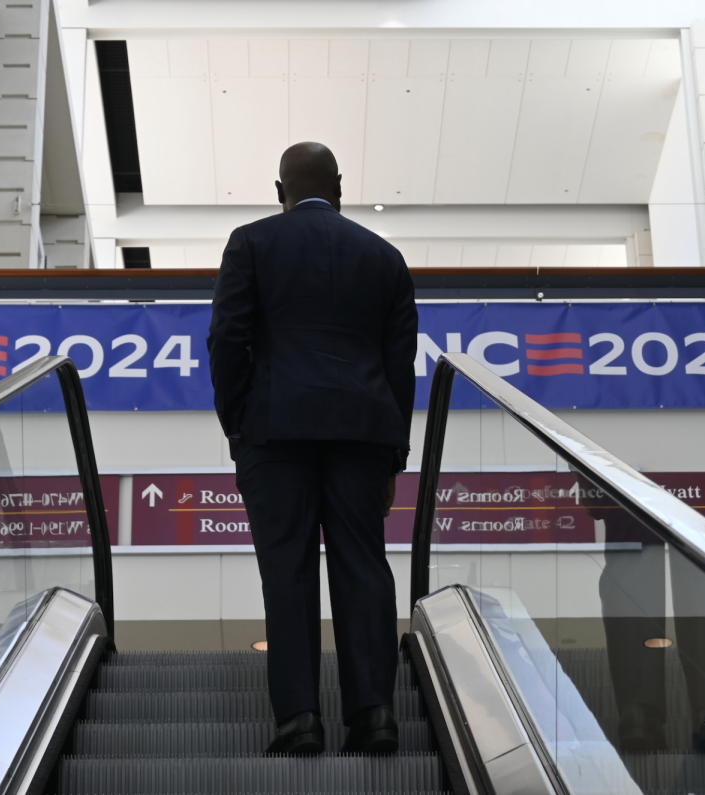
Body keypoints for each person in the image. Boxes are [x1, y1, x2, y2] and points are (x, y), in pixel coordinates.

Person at [207, 142, 418, 755]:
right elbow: (399, 366)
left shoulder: (251, 242)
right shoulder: (384, 257)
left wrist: (238, 425)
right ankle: (374, 713)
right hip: (362, 433)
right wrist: (393, 454)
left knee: (287, 568)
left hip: (274, 432)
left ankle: (299, 719)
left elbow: (226, 339)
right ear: (341, 186)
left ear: (281, 192)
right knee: (363, 564)